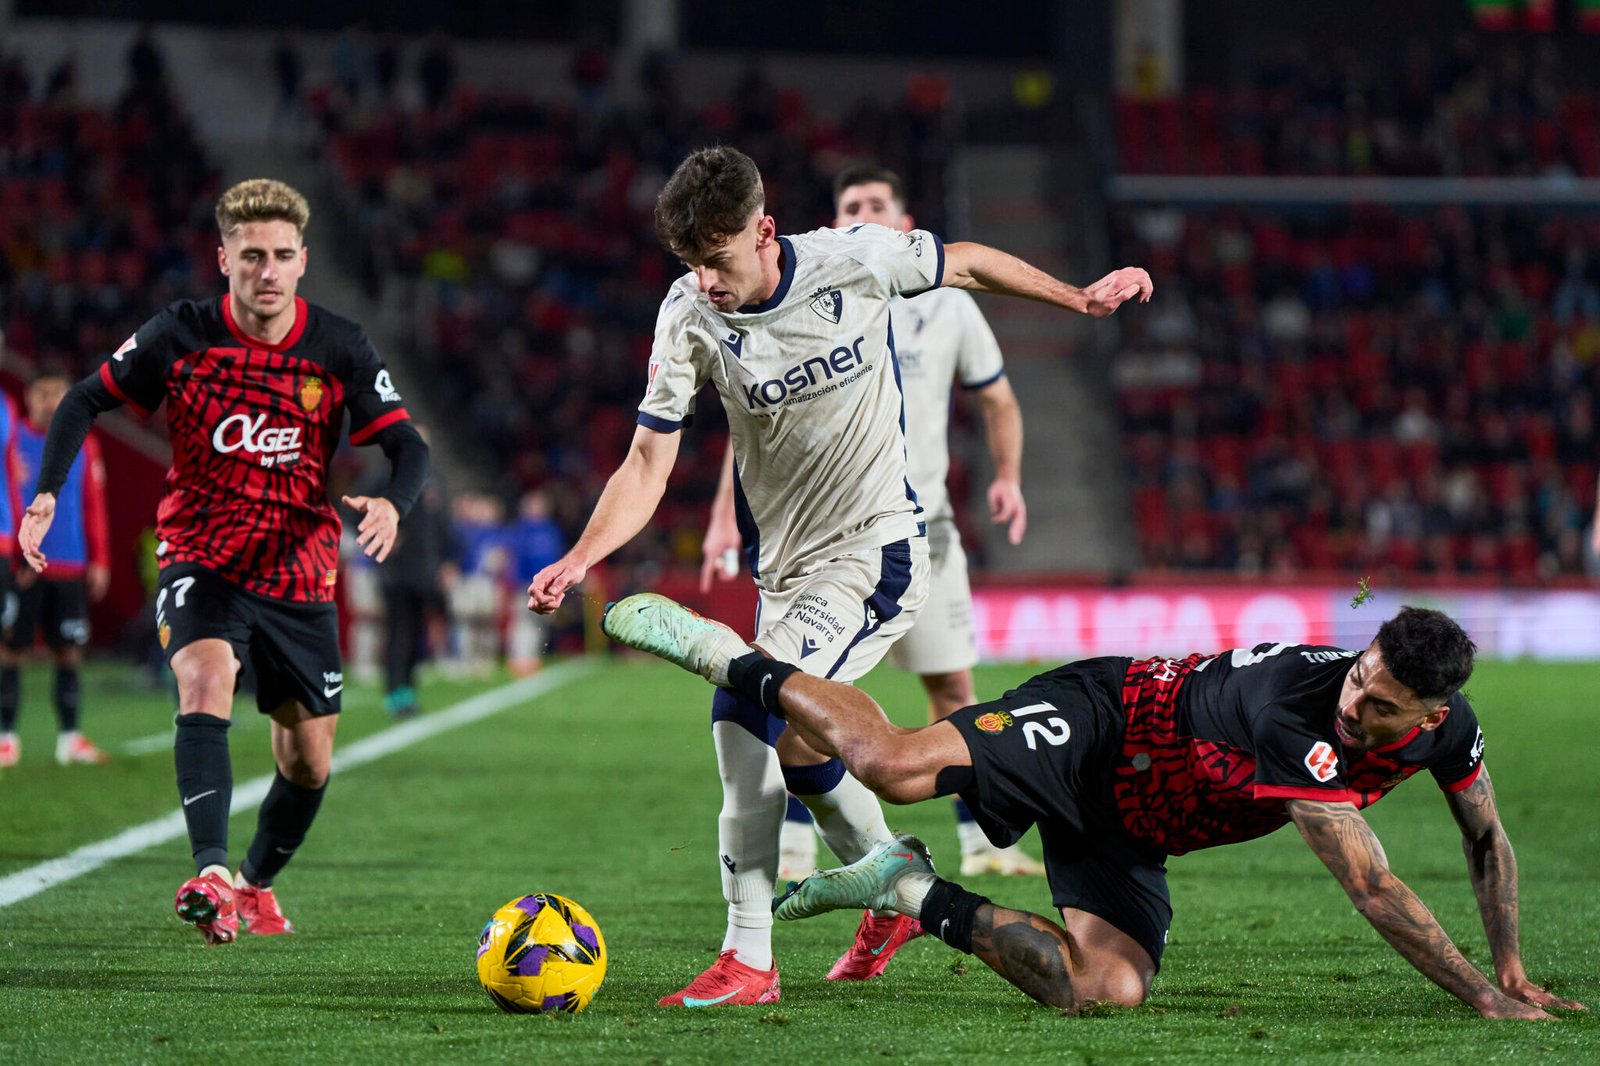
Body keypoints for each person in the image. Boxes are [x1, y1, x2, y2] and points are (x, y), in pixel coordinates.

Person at [528, 145, 1150, 1006]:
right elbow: (645, 461)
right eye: (691, 265)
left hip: (875, 551)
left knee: (742, 705)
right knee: (797, 740)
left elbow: (963, 262)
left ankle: (748, 957)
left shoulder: (851, 259)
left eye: (718, 259)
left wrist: (1077, 296)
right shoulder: (688, 317)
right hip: (785, 569)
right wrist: (579, 556)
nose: (705, 281)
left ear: (765, 232)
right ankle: (892, 883)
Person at [605, 595, 1586, 1020]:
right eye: (1358, 677)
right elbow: (1370, 887)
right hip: (1103, 720)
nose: (1354, 701)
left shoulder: (1451, 733)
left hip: (1130, 826)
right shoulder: (1298, 707)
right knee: (895, 767)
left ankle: (903, 888)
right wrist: (1478, 998)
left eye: (1378, 705)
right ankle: (729, 656)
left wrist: (1510, 961)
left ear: (1432, 711)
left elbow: (1487, 836)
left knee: (1103, 991)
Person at [18, 178, 429, 945]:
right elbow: (81, 400)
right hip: (201, 556)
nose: (265, 271)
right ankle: (210, 871)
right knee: (204, 680)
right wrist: (45, 496)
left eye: (279, 256)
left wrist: (392, 504)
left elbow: (410, 445)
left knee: (308, 761)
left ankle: (256, 882)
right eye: (250, 257)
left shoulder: (338, 345)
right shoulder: (181, 334)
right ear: (223, 258)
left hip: (301, 572)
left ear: (303, 260)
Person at [701, 164, 1042, 879]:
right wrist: (721, 519)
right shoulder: (811, 292)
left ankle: (985, 843)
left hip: (926, 530)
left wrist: (1007, 475)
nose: (866, 215)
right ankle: (797, 846)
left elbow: (999, 399)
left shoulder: (947, 306)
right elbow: (754, 427)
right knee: (805, 695)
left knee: (952, 688)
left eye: (878, 204)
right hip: (826, 540)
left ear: (907, 220)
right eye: (852, 206)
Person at [0, 367, 111, 766]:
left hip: (70, 564)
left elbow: (93, 504)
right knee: (11, 650)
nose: (51, 402)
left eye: (59, 393)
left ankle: (69, 738)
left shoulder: (85, 444)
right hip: (23, 563)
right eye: (44, 392)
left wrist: (100, 559)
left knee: (68, 652)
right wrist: (15, 553)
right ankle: (6, 738)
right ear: (29, 397)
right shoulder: (12, 440)